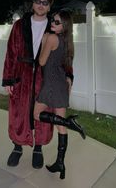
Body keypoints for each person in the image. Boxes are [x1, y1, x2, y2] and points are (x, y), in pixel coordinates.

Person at [2, 0, 56, 169]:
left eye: (45, 2)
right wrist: (8, 80)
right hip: (21, 76)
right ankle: (17, 147)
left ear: (49, 6)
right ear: (32, 3)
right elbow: (11, 52)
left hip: (45, 76)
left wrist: (67, 77)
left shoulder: (54, 26)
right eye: (38, 1)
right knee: (19, 113)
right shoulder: (19, 25)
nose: (41, 5)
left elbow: (64, 54)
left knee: (42, 112)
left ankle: (38, 148)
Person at [34, 10, 86, 179]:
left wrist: (43, 42)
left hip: (51, 84)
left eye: (57, 22)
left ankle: (70, 122)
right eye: (53, 20)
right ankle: (60, 164)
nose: (53, 23)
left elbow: (41, 62)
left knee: (36, 114)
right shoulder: (66, 41)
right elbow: (65, 64)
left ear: (64, 26)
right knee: (61, 127)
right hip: (61, 84)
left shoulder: (51, 38)